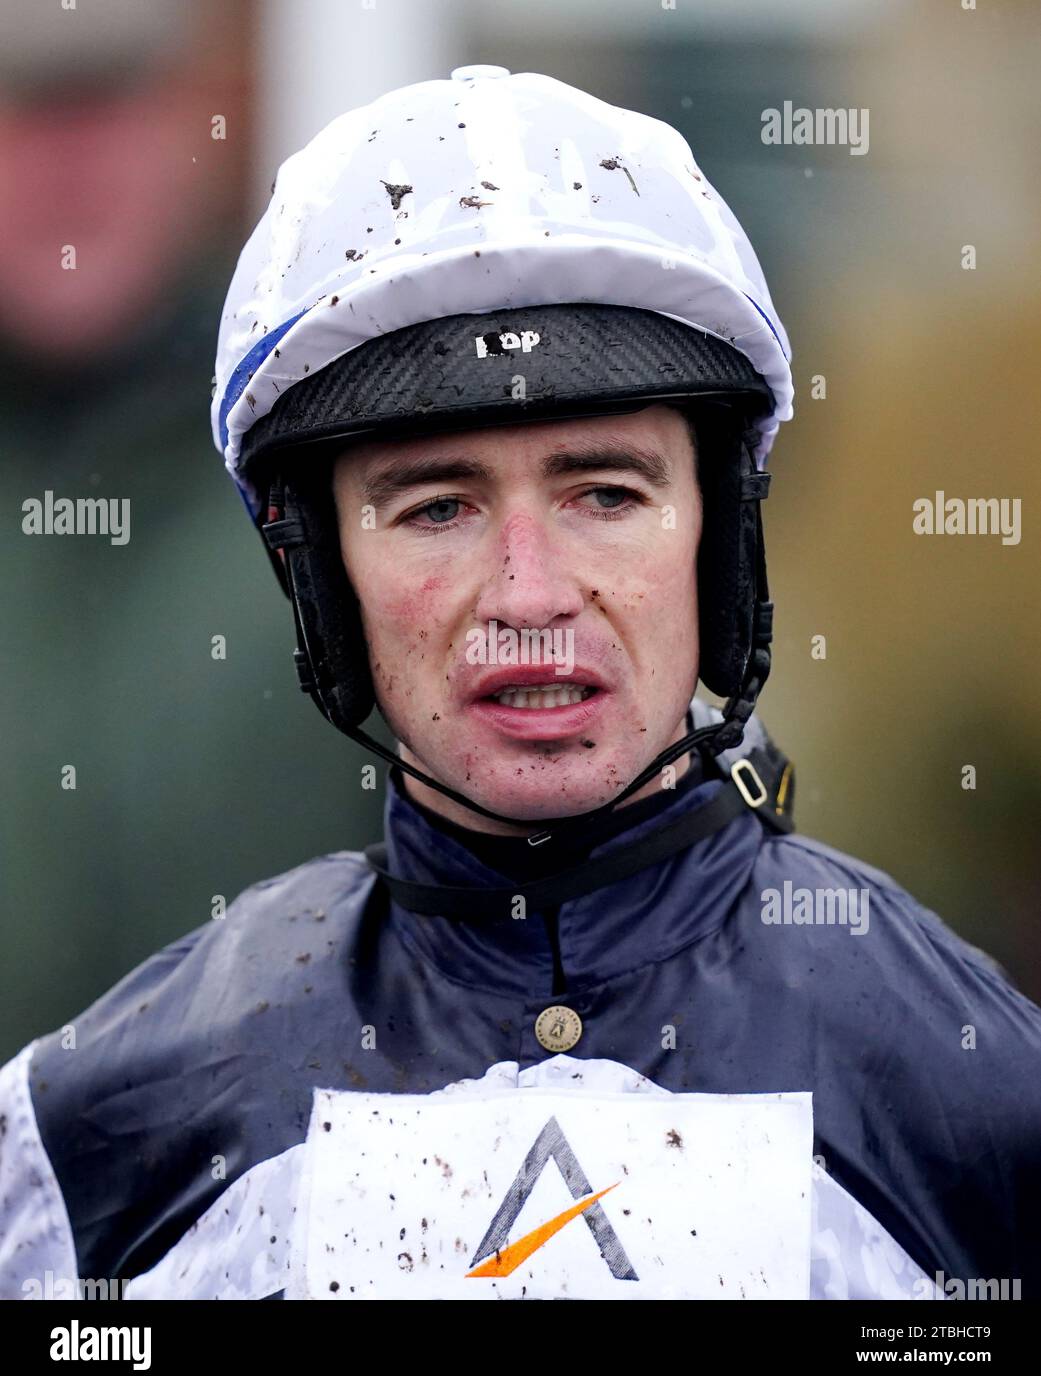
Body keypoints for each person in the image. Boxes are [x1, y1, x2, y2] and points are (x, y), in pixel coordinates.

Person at [2, 66, 1039, 1303]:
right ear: (321, 579)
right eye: (438, 506)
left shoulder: (976, 1091)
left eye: (606, 494)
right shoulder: (87, 1136)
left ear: (720, 544)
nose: (530, 594)